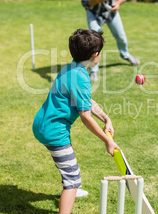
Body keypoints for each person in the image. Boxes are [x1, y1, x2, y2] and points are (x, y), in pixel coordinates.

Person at [32, 29, 120, 214]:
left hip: (43, 123)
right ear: (95, 55)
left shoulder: (71, 68)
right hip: (54, 131)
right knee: (72, 179)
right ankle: (71, 189)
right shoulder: (81, 77)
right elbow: (85, 115)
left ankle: (72, 189)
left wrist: (106, 118)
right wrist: (108, 141)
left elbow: (85, 100)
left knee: (68, 166)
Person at [81, 0, 139, 81]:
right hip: (94, 12)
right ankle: (93, 70)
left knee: (122, 37)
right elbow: (85, 2)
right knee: (95, 43)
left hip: (111, 11)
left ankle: (125, 55)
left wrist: (118, 3)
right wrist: (95, 0)